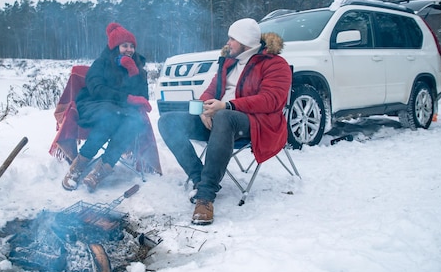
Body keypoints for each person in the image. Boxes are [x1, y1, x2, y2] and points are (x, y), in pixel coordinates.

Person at [158, 18, 291, 225]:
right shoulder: (228, 62)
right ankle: (199, 177)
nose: (227, 43)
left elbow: (271, 100)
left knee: (224, 117)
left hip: (255, 124)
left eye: (232, 38)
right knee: (168, 121)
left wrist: (228, 106)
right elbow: (211, 91)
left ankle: (205, 196)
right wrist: (204, 109)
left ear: (245, 41)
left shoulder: (274, 64)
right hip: (218, 121)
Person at [62, 22, 152, 192]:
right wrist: (127, 98)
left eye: (132, 46)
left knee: (132, 124)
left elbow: (143, 97)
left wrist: (135, 74)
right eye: (125, 45)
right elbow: (96, 89)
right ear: (115, 46)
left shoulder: (138, 67)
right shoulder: (101, 63)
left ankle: (101, 170)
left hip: (124, 109)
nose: (129, 50)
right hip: (96, 104)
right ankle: (78, 166)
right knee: (110, 119)